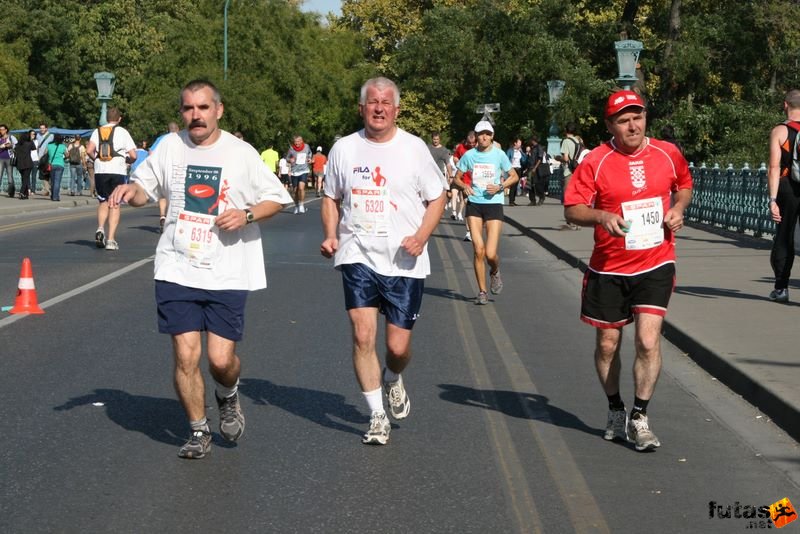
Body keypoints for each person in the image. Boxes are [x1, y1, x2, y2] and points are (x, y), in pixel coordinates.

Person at [107, 79, 292, 459]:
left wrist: (246, 214)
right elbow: (146, 188)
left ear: (218, 111)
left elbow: (278, 198)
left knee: (220, 361)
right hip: (177, 265)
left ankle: (228, 394)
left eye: (203, 108)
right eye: (189, 108)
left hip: (226, 269)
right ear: (182, 112)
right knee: (186, 356)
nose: (196, 115)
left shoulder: (241, 153)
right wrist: (131, 194)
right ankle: (197, 429)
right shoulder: (170, 147)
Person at [320, 77, 447, 446]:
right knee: (362, 335)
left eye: (386, 102)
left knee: (396, 348)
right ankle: (376, 416)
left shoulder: (414, 148)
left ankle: (393, 377)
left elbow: (437, 198)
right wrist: (331, 234)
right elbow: (330, 196)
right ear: (361, 108)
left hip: (404, 261)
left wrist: (422, 236)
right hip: (357, 253)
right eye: (372, 102)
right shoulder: (344, 148)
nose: (379, 108)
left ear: (396, 109)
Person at [563, 90, 692, 452]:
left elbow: (684, 184)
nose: (632, 125)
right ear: (610, 125)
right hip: (609, 267)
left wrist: (679, 208)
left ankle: (640, 416)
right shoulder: (596, 161)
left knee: (648, 340)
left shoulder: (668, 153)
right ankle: (616, 407)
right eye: (623, 120)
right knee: (608, 344)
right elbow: (572, 209)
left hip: (656, 260)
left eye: (637, 117)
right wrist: (601, 216)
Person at [453, 120, 518, 305]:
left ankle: (495, 271)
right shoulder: (469, 156)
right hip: (474, 204)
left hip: (494, 204)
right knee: (478, 250)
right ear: (476, 135)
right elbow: (456, 178)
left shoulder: (499, 155)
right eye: (481, 133)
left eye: (487, 134)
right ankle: (482, 291)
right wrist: (464, 186)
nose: (484, 137)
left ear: (492, 136)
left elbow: (514, 176)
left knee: (490, 253)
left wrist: (500, 186)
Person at [86, 107, 137, 251]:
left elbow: (89, 150)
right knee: (115, 203)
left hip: (101, 170)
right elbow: (133, 155)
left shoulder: (98, 131)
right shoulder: (123, 132)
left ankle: (100, 228)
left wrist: (96, 159)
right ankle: (111, 239)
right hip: (117, 170)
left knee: (103, 200)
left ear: (107, 118)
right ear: (119, 119)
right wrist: (128, 161)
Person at [768, 89, 800, 303]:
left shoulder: (780, 131)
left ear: (785, 105)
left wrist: (772, 200)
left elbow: (774, 167)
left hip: (788, 187)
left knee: (785, 237)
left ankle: (781, 288)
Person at [151, 122, 181, 232]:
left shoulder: (161, 139)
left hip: (162, 170)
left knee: (162, 195)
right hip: (178, 171)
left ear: (167, 129)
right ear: (177, 129)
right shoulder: (181, 138)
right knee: (176, 195)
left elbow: (151, 152)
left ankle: (162, 216)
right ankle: (173, 220)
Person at [453, 130, 477, 241]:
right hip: (466, 180)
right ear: (466, 140)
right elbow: (455, 157)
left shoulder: (480, 149)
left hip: (479, 182)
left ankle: (476, 228)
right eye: (470, 143)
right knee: (469, 204)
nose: (472, 145)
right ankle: (468, 232)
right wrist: (460, 163)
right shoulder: (461, 148)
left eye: (474, 142)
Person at [559, 123, 581, 229]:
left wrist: (558, 158)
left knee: (568, 197)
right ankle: (577, 221)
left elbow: (566, 158)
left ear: (565, 130)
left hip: (569, 171)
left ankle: (571, 222)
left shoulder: (566, 141)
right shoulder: (578, 141)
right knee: (577, 197)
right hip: (578, 171)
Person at [286, 135, 312, 213]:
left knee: (301, 188)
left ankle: (301, 205)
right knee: (295, 190)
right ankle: (296, 205)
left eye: (298, 141)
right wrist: (290, 160)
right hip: (294, 171)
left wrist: (309, 159)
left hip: (304, 170)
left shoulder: (306, 147)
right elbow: (287, 158)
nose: (296, 143)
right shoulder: (291, 149)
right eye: (295, 142)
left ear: (301, 141)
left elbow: (310, 153)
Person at [527, 135, 550, 206]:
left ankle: (541, 197)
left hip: (536, 168)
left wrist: (535, 167)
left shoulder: (539, 148)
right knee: (529, 184)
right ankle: (532, 200)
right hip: (530, 167)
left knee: (538, 184)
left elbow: (540, 159)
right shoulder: (532, 148)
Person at [13, 130, 36, 199]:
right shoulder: (29, 143)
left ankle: (25, 194)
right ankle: (22, 192)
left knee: (23, 178)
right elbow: (34, 148)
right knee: (26, 179)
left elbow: (15, 151)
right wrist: (31, 140)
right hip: (28, 163)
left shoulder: (18, 145)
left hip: (19, 164)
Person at [505, 137, 527, 206]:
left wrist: (521, 152)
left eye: (521, 143)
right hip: (513, 169)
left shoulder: (520, 151)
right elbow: (506, 158)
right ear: (515, 143)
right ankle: (511, 201)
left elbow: (524, 159)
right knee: (512, 185)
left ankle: (513, 200)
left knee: (516, 185)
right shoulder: (510, 150)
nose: (520, 144)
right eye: (519, 143)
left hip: (519, 169)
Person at [34, 123, 54, 196]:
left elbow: (52, 145)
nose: (42, 129)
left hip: (49, 157)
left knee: (51, 174)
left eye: (43, 128)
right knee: (44, 174)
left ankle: (53, 189)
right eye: (40, 128)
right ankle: (46, 190)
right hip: (41, 158)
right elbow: (37, 146)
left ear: (46, 128)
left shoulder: (51, 136)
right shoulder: (38, 135)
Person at [47, 134, 68, 201]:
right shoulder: (63, 146)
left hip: (51, 165)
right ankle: (55, 197)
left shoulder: (49, 145)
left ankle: (53, 195)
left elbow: (45, 153)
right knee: (57, 181)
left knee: (52, 181)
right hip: (60, 165)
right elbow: (67, 155)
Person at [0, 124, 18, 197]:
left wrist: (10, 145)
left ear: (6, 130)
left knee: (10, 176)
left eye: (2, 129)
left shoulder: (11, 137)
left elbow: (16, 145)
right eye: (0, 130)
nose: (1, 131)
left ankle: (11, 192)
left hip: (9, 158)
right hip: (0, 158)